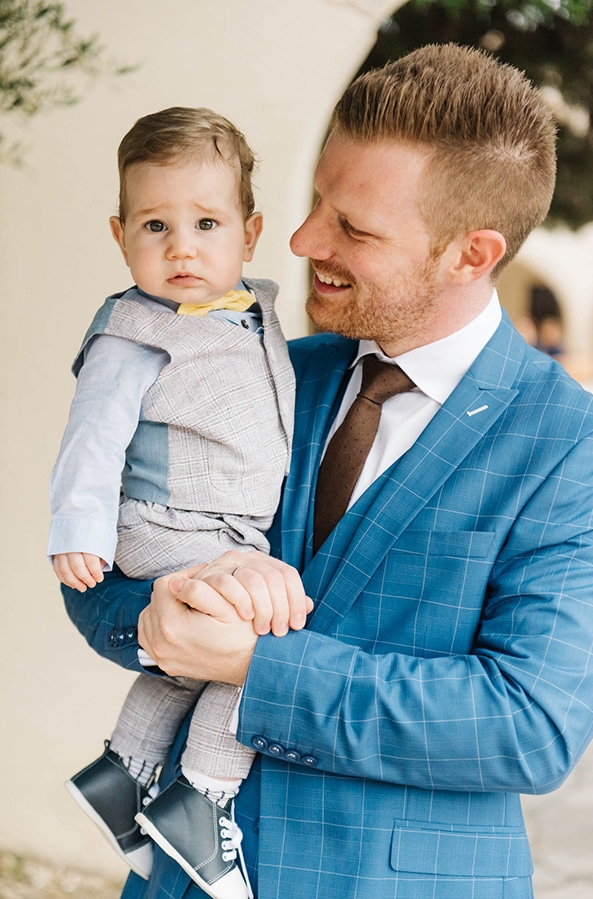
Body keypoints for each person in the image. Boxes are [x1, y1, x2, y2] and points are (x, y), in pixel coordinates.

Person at [62, 45, 593, 899]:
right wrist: (152, 616)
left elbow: (530, 726)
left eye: (353, 226)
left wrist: (260, 669)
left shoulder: (571, 444)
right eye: (317, 199)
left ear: (470, 253)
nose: (305, 238)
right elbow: (109, 563)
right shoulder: (268, 364)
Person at [48, 106, 306, 899]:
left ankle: (122, 775)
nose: (182, 246)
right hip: (166, 523)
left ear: (250, 233)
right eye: (155, 225)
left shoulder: (255, 312)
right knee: (250, 639)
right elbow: (93, 435)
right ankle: (202, 795)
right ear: (121, 234)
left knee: (192, 655)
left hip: (226, 532)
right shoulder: (134, 329)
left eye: (205, 222)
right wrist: (77, 529)